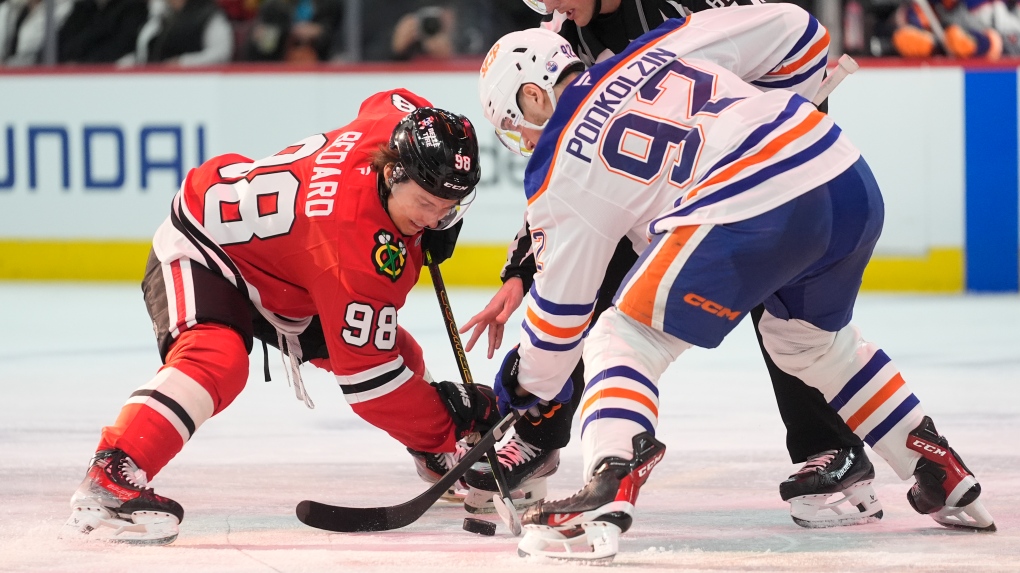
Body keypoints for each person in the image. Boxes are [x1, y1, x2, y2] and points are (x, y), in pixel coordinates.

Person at [477, 4, 995, 562]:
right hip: (840, 169)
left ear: (534, 95)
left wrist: (522, 383)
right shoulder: (660, 44)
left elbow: (560, 322)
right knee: (808, 343)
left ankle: (607, 485)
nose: (521, 138)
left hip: (754, 203)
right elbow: (801, 31)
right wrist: (773, 110)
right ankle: (933, 462)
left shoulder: (559, 166)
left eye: (513, 123)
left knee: (621, 336)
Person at [59, 89, 501, 545]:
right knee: (218, 359)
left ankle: (433, 453)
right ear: (392, 173)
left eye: (449, 207)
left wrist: (437, 210)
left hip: (284, 271)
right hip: (206, 247)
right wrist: (452, 420)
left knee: (397, 349)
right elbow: (371, 386)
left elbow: (393, 98)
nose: (435, 218)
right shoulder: (354, 252)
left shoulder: (397, 131)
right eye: (426, 204)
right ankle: (111, 475)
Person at [130, 0, 233, 65]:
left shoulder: (210, 15)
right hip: (158, 81)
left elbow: (221, 54)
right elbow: (145, 47)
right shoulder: (163, 17)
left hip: (197, 82)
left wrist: (183, 62)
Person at [58, 0, 148, 63]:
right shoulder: (83, 8)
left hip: (108, 75)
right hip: (69, 73)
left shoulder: (133, 8)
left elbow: (120, 45)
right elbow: (60, 43)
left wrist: (82, 63)